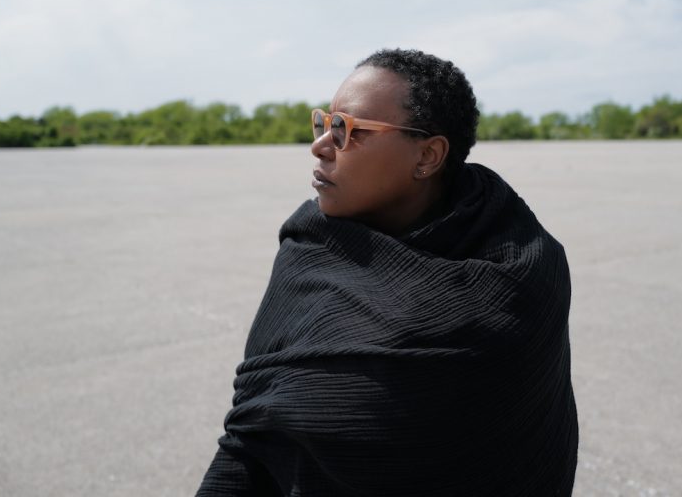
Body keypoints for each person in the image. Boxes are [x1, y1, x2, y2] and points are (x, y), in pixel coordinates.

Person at [197, 49, 578, 496]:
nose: (320, 146)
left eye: (347, 130)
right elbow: (256, 433)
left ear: (428, 156)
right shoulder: (310, 245)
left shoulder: (523, 274)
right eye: (324, 122)